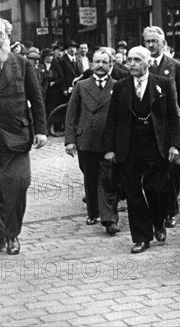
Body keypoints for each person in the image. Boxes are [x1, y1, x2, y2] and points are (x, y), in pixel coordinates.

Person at [104, 46, 180, 253]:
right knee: (133, 193)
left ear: (148, 62)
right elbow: (112, 118)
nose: (132, 64)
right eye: (129, 60)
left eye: (137, 60)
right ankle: (141, 237)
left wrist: (175, 144)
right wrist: (110, 148)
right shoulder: (121, 86)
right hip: (128, 145)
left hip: (155, 143)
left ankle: (159, 222)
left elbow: (173, 116)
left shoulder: (162, 84)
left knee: (156, 188)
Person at [0, 27, 47, 255]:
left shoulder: (22, 63)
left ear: (8, 38)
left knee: (17, 185)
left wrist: (41, 131)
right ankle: (2, 234)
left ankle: (12, 233)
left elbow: (36, 99)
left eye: (0, 35)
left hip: (16, 137)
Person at [64, 48, 120, 234]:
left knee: (108, 178)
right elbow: (72, 114)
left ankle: (109, 218)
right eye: (97, 62)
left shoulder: (117, 86)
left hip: (108, 141)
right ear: (92, 64)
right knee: (90, 176)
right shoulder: (81, 85)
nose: (101, 66)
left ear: (111, 65)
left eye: (105, 62)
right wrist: (70, 140)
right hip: (86, 139)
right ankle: (93, 211)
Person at [143, 26, 180, 228]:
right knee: (152, 168)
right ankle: (155, 210)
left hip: (171, 124)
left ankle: (171, 209)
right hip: (148, 126)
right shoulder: (141, 64)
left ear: (163, 43)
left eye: (155, 41)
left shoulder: (176, 66)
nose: (152, 45)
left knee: (174, 166)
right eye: (148, 41)